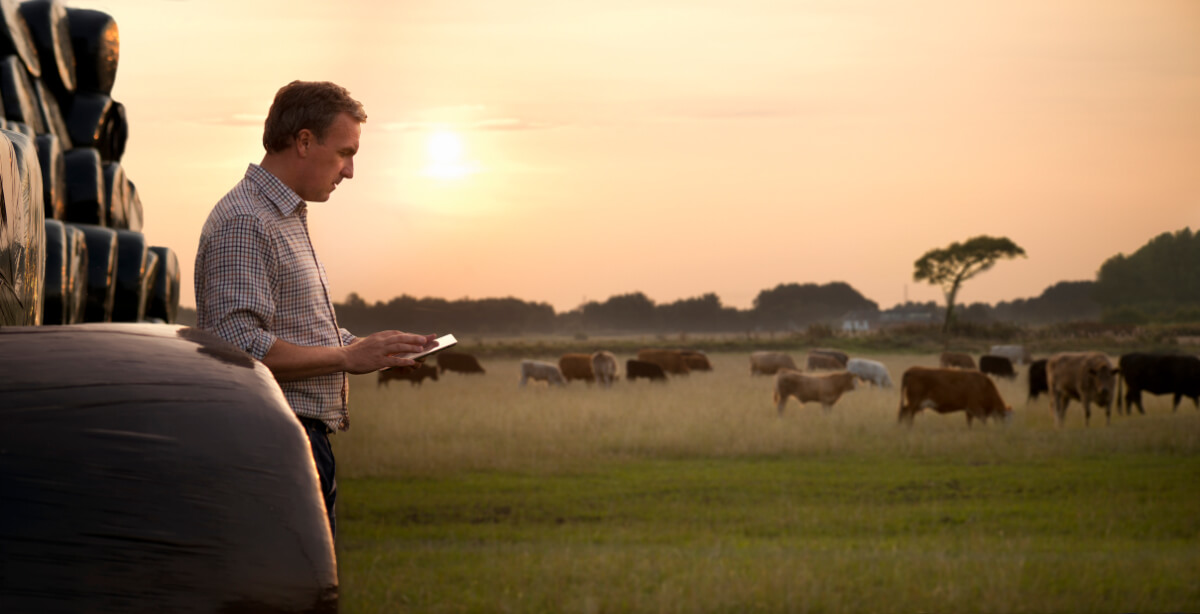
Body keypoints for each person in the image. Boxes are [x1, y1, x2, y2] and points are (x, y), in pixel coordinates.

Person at [194, 80, 435, 539]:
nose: (349, 172)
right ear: (304, 141)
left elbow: (287, 334)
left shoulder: (279, 217)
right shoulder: (247, 222)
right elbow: (238, 350)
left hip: (292, 443)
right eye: (345, 153)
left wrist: (369, 349)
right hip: (273, 444)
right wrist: (345, 358)